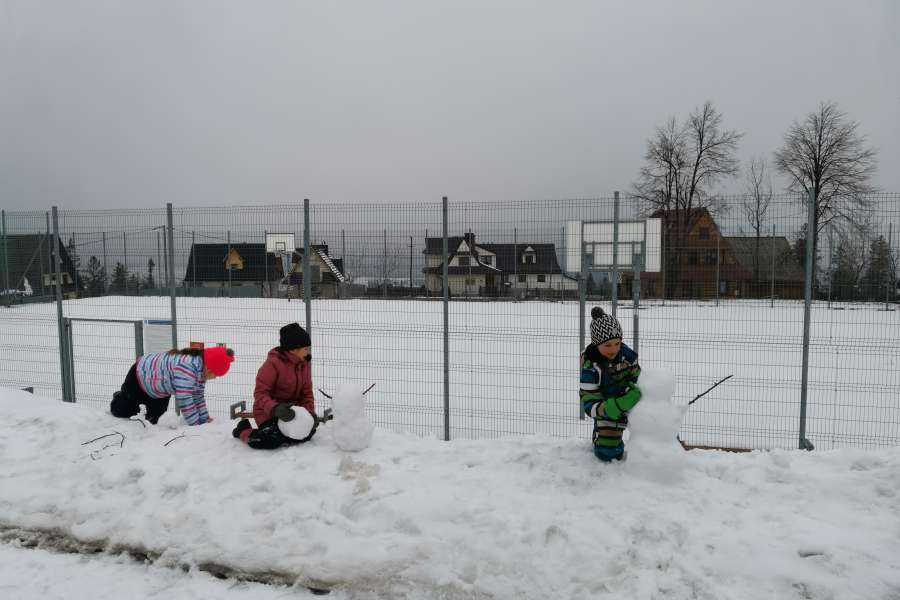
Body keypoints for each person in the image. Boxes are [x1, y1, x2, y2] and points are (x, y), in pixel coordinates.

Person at [233, 323, 319, 449]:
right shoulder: (273, 364)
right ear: (294, 349)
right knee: (270, 440)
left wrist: (310, 413)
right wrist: (276, 409)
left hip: (292, 413)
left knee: (306, 434)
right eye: (305, 348)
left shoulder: (303, 365)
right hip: (269, 412)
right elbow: (260, 394)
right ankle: (243, 430)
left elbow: (307, 393)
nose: (308, 352)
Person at [110, 346, 234, 425]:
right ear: (209, 368)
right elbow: (185, 399)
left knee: (153, 421)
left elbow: (197, 397)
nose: (215, 377)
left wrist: (204, 419)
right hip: (140, 377)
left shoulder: (200, 373)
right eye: (216, 374)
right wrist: (196, 423)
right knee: (124, 412)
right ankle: (119, 397)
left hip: (160, 390)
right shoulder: (187, 367)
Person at [580, 307, 642, 461]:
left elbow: (639, 378)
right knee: (609, 453)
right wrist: (618, 406)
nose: (613, 349)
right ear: (596, 344)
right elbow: (589, 404)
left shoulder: (627, 357)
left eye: (617, 343)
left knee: (657, 420)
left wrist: (638, 392)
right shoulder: (591, 369)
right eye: (607, 345)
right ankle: (599, 437)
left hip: (631, 400)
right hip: (608, 409)